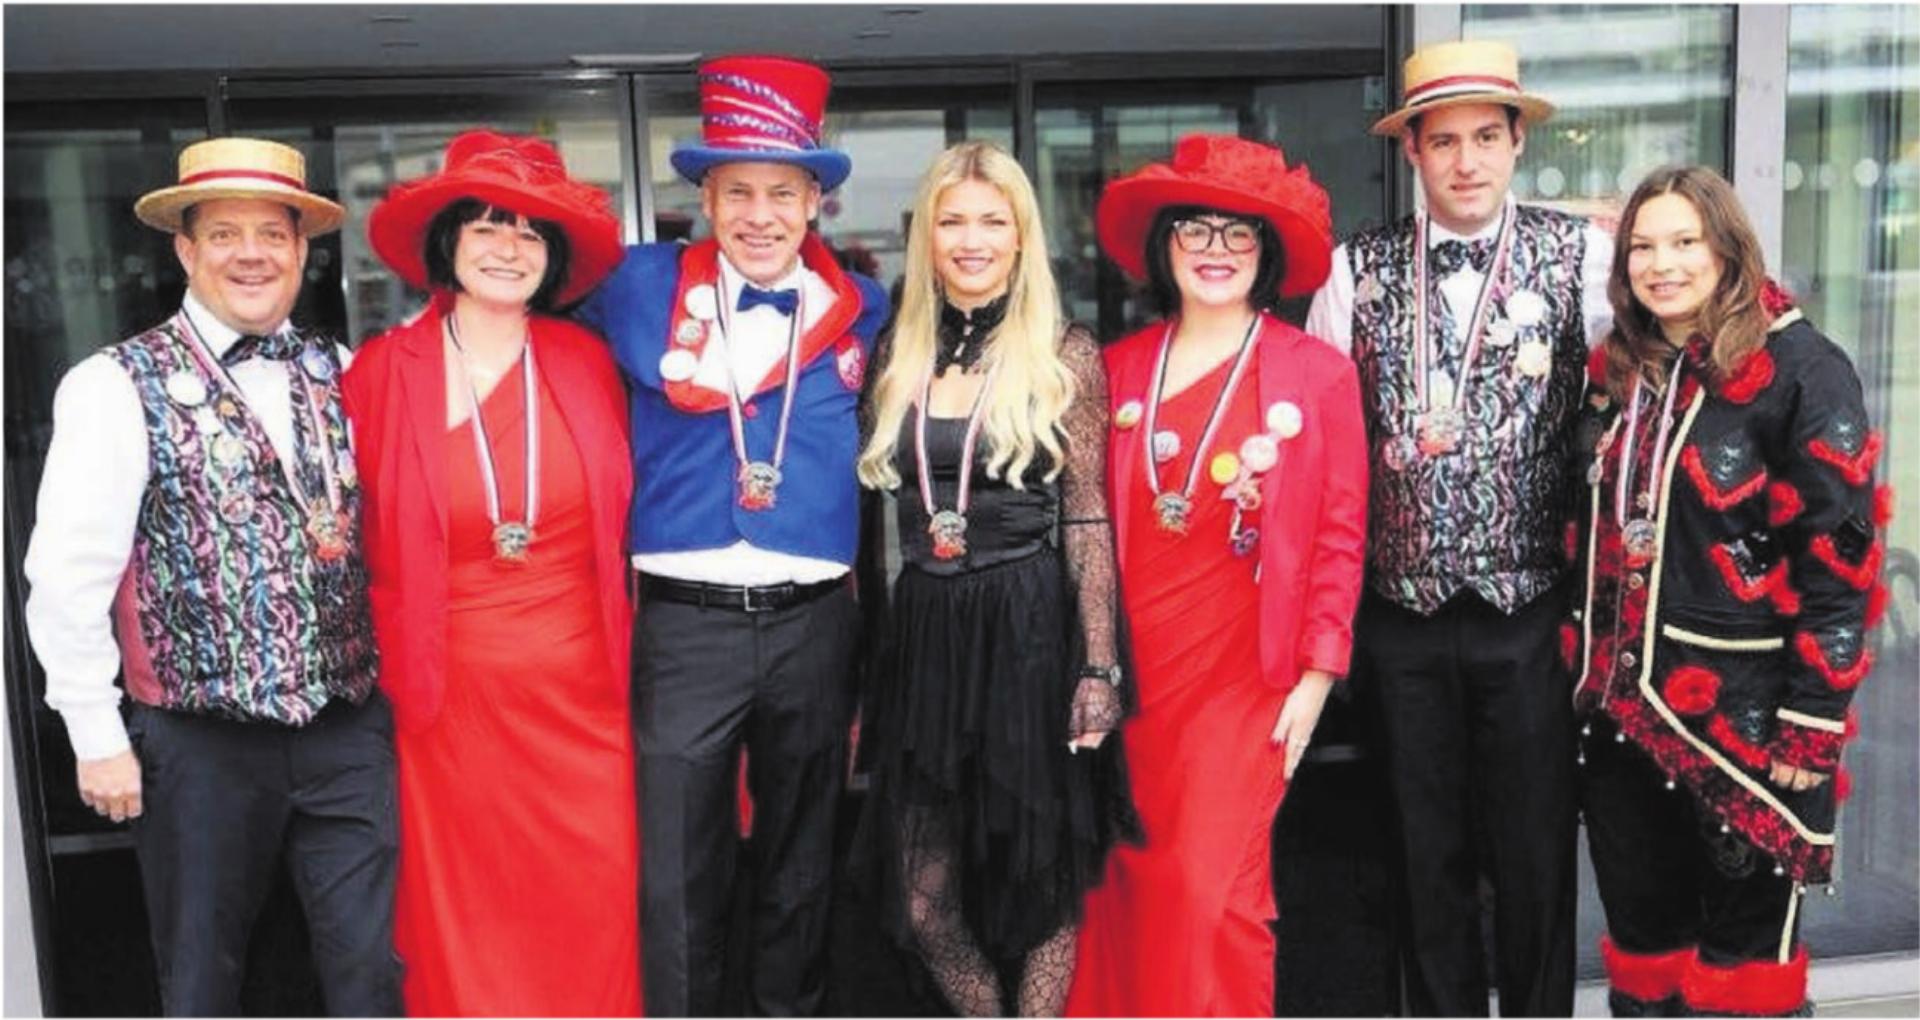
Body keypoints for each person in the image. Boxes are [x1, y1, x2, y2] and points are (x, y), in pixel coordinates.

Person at [21, 138, 398, 1016]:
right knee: (202, 975)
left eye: (272, 233)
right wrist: (94, 730)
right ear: (186, 251)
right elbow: (69, 571)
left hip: (346, 728)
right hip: (200, 741)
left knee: (373, 968)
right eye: (224, 234)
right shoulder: (113, 384)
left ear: (302, 251)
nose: (251, 254)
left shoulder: (344, 371)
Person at [1304, 38, 1614, 1016]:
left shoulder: (1586, 256)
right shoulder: (1353, 271)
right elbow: (1325, 451)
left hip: (1530, 613)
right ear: (1413, 152)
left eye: (1486, 137)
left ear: (1518, 142)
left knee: (1534, 858)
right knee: (1417, 855)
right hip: (1399, 616)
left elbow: (1646, 389)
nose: (1467, 161)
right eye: (1444, 141)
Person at [577, 55, 889, 1017]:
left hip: (815, 625)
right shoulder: (632, 285)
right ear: (704, 198)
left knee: (804, 857)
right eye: (739, 192)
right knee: (679, 865)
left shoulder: (865, 309)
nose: (760, 215)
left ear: (815, 204)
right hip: (685, 630)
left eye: (782, 193)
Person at [1569, 165, 1887, 1018]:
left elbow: (1841, 557)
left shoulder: (1802, 368)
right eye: (1643, 247)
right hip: (1623, 726)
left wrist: (1812, 720)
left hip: (1745, 729)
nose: (1662, 264)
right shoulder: (1618, 369)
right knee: (1645, 965)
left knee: (1744, 980)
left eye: (1685, 242)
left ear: (1729, 249)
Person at [1066, 133, 1368, 1017]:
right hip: (1130, 675)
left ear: (1266, 254)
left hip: (1246, 681)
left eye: (1239, 234)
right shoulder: (1116, 369)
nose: (1216, 250)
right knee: (1128, 886)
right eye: (1194, 229)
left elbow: (1341, 534)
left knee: (1207, 892)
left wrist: (1318, 676)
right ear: (1164, 245)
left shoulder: (1318, 374)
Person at [343, 130, 638, 1016]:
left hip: (586, 700)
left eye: (531, 232)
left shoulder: (589, 361)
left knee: (592, 908)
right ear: (449, 244)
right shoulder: (380, 373)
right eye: (487, 227)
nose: (510, 248)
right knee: (466, 924)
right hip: (449, 708)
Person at [853, 140, 1137, 1017]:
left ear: (1020, 235)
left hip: (1026, 628)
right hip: (926, 634)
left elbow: (1086, 515)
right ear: (927, 237)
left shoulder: (1064, 352)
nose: (971, 240)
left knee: (1039, 883)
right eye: (952, 221)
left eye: (991, 221)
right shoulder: (896, 353)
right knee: (924, 900)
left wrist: (1098, 668)